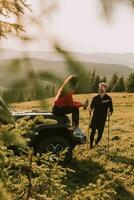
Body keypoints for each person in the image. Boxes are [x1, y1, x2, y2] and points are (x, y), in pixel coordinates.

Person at [89, 82, 113, 149]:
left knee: (100, 134)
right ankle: (91, 146)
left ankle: (96, 142)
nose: (100, 89)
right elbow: (91, 107)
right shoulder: (95, 98)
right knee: (92, 131)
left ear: (105, 89)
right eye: (99, 88)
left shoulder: (108, 98)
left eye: (101, 88)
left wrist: (110, 113)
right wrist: (90, 110)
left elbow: (111, 109)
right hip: (95, 117)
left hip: (102, 118)